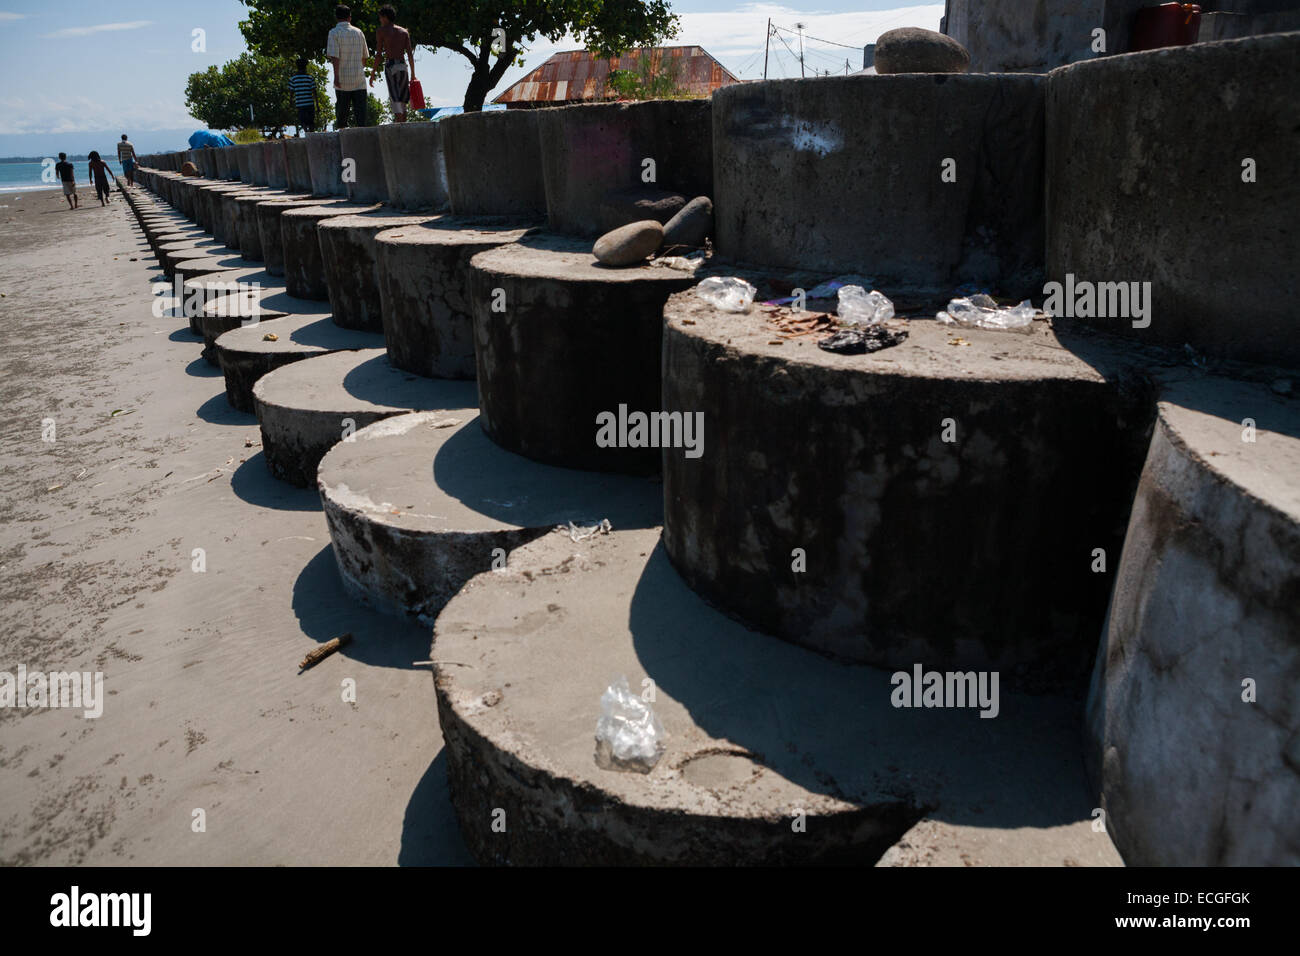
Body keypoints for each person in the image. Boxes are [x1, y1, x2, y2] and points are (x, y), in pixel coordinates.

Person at [326, 5, 369, 129]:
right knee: (361, 117)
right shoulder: (359, 32)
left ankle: (343, 143)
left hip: (342, 80)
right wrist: (359, 69)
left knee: (342, 117)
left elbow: (335, 57)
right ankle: (363, 141)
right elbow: (365, 56)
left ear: (336, 17)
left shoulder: (334, 33)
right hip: (359, 80)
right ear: (350, 17)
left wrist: (336, 77)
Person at [374, 5, 415, 123]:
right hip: (403, 66)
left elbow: (379, 54)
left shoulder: (381, 31)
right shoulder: (404, 31)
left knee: (395, 97)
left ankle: (399, 124)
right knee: (403, 98)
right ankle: (403, 124)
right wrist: (413, 74)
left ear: (385, 17)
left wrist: (372, 73)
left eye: (380, 18)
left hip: (391, 65)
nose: (380, 20)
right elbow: (410, 55)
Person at [289, 58, 316, 134]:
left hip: (300, 104)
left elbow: (291, 93)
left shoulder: (293, 79)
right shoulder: (310, 78)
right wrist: (317, 105)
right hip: (310, 103)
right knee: (311, 122)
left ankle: (307, 133)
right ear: (305, 67)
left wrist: (290, 102)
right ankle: (312, 135)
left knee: (302, 121)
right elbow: (314, 92)